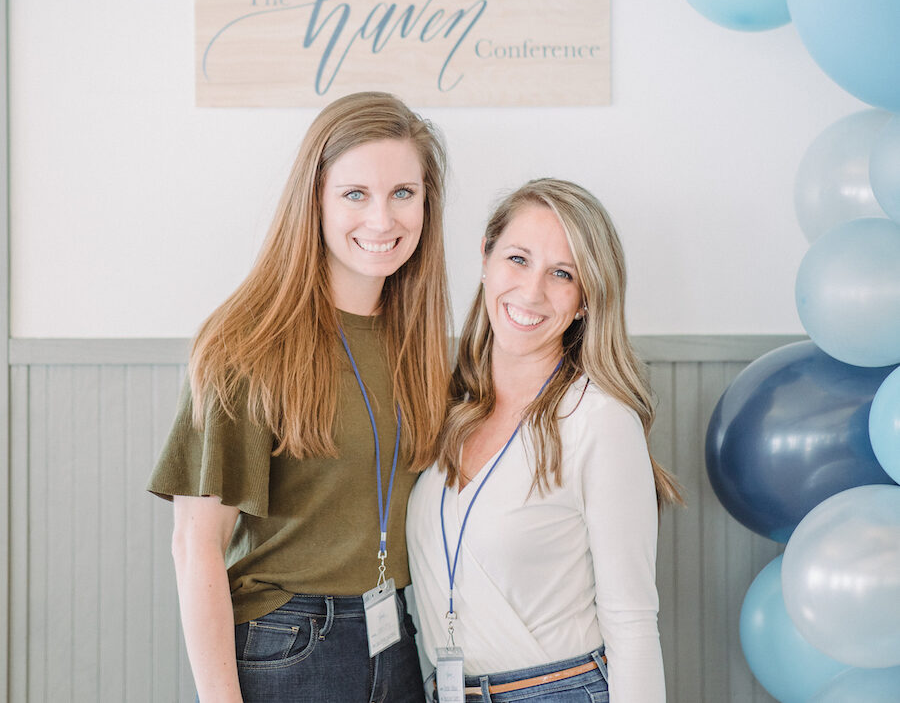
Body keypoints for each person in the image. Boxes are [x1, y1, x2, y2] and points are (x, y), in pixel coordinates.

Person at [148, 91, 451, 703]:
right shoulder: (248, 343)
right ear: (313, 200)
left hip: (398, 634)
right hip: (292, 645)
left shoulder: (422, 344)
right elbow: (195, 544)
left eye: (403, 193)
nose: (382, 219)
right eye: (355, 194)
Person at [407, 178, 682, 703]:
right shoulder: (446, 406)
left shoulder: (599, 418)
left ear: (585, 300)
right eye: (517, 259)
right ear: (485, 259)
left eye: (562, 274)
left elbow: (632, 620)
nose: (531, 292)